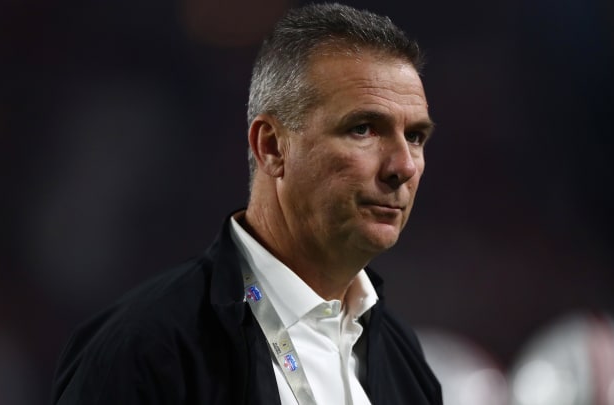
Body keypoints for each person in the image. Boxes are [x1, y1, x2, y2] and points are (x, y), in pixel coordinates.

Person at [52, 3, 442, 404]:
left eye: (415, 136)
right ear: (272, 147)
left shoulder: (402, 357)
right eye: (363, 129)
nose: (403, 166)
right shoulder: (148, 348)